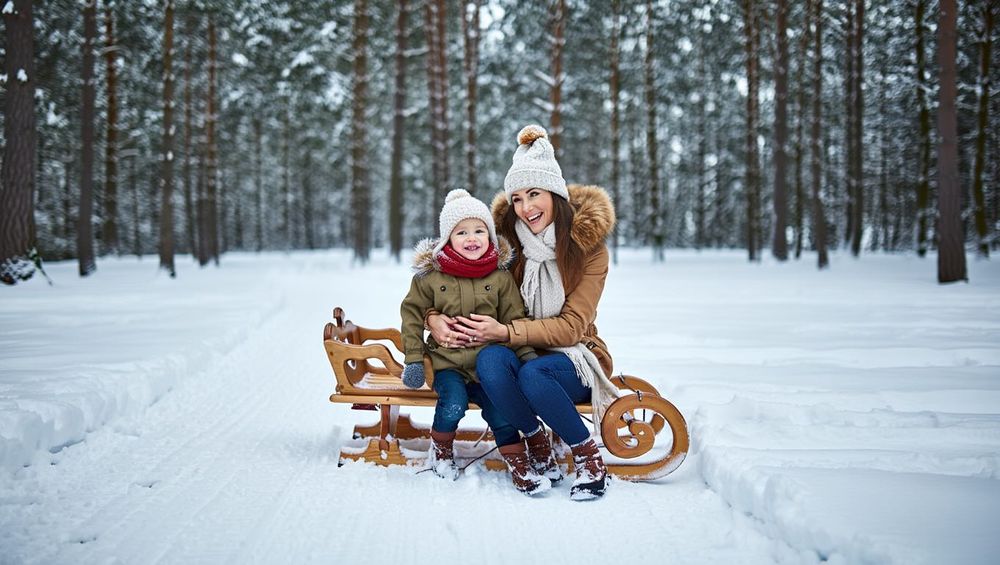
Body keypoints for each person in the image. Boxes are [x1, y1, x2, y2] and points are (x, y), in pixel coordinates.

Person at [426, 125, 621, 501]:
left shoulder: (590, 251)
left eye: (534, 194)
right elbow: (454, 285)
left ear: (555, 194)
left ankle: (588, 457)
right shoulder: (509, 245)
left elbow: (571, 327)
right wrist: (433, 317)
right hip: (520, 354)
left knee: (534, 372)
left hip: (575, 358)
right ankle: (536, 442)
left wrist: (505, 332)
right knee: (489, 360)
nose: (526, 208)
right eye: (516, 198)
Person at [399, 189, 548, 493]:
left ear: (489, 235)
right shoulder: (430, 277)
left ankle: (519, 463)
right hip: (448, 364)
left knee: (501, 413)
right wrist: (414, 359)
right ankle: (441, 452)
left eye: (479, 230)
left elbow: (515, 319)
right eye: (462, 232)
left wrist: (527, 359)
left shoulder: (500, 277)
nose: (472, 238)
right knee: (452, 405)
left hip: (487, 369)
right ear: (447, 238)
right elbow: (411, 315)